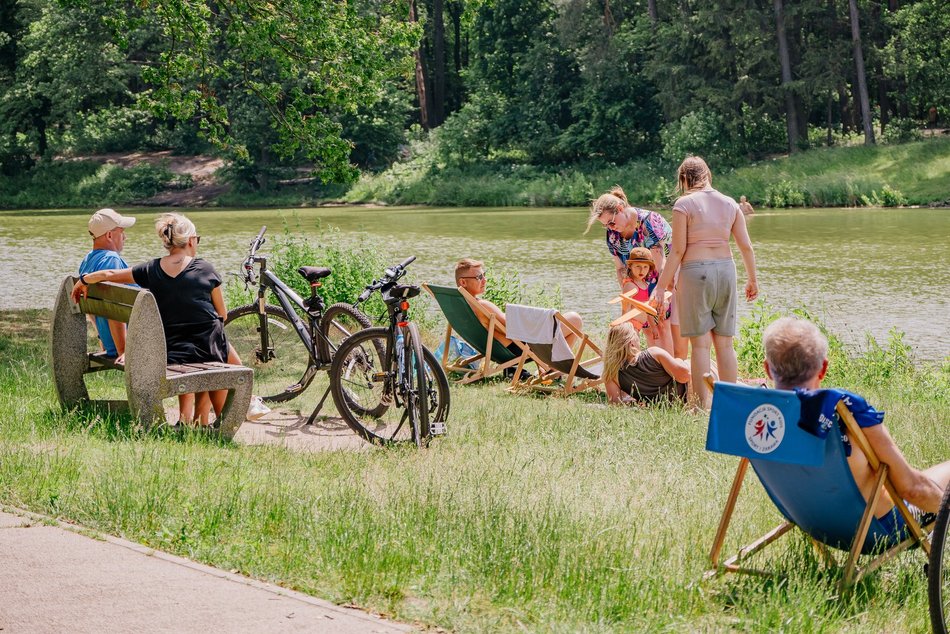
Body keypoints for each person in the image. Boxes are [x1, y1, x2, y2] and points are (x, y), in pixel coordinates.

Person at [763, 317, 950, 526]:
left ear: (767, 369)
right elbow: (912, 490)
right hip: (877, 527)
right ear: (823, 368)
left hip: (808, 519)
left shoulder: (758, 416)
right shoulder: (845, 411)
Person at [72, 213, 238, 426]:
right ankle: (205, 419)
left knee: (198, 342)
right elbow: (222, 315)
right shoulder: (206, 269)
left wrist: (85, 278)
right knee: (211, 340)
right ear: (189, 240)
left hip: (170, 351)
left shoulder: (150, 269)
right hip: (206, 350)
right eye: (197, 238)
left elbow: (112, 273)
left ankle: (195, 418)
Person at [585, 186, 688, 359]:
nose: (610, 227)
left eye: (611, 222)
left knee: (662, 323)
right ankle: (654, 371)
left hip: (671, 275)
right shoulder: (613, 234)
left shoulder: (649, 221)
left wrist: (657, 294)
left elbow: (660, 265)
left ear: (620, 209)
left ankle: (671, 372)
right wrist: (630, 296)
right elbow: (620, 268)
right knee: (645, 325)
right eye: (605, 226)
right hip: (639, 280)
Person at [455, 258, 584, 353]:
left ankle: (552, 369)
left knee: (568, 325)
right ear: (463, 282)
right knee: (574, 319)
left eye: (484, 275)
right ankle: (555, 368)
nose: (485, 280)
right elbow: (512, 326)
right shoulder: (482, 305)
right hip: (522, 346)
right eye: (479, 277)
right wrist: (534, 317)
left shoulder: (461, 305)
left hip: (502, 348)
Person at [78, 208, 136, 358]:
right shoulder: (111, 259)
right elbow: (114, 308)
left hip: (111, 345)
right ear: (110, 234)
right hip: (130, 345)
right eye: (122, 232)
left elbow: (92, 310)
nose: (125, 237)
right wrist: (123, 352)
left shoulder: (87, 260)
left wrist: (104, 340)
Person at [602, 322, 690, 405]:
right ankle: (695, 406)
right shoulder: (654, 354)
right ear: (631, 343)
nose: (638, 339)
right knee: (689, 364)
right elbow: (685, 376)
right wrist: (680, 361)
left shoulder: (611, 374)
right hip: (682, 399)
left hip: (657, 406)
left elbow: (615, 403)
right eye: (636, 335)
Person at [621, 247, 673, 354]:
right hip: (631, 325)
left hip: (639, 325)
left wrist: (653, 327)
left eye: (645, 267)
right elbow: (625, 310)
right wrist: (626, 330)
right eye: (638, 266)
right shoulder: (630, 285)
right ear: (630, 266)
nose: (642, 270)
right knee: (633, 350)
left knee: (636, 350)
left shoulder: (644, 284)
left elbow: (646, 308)